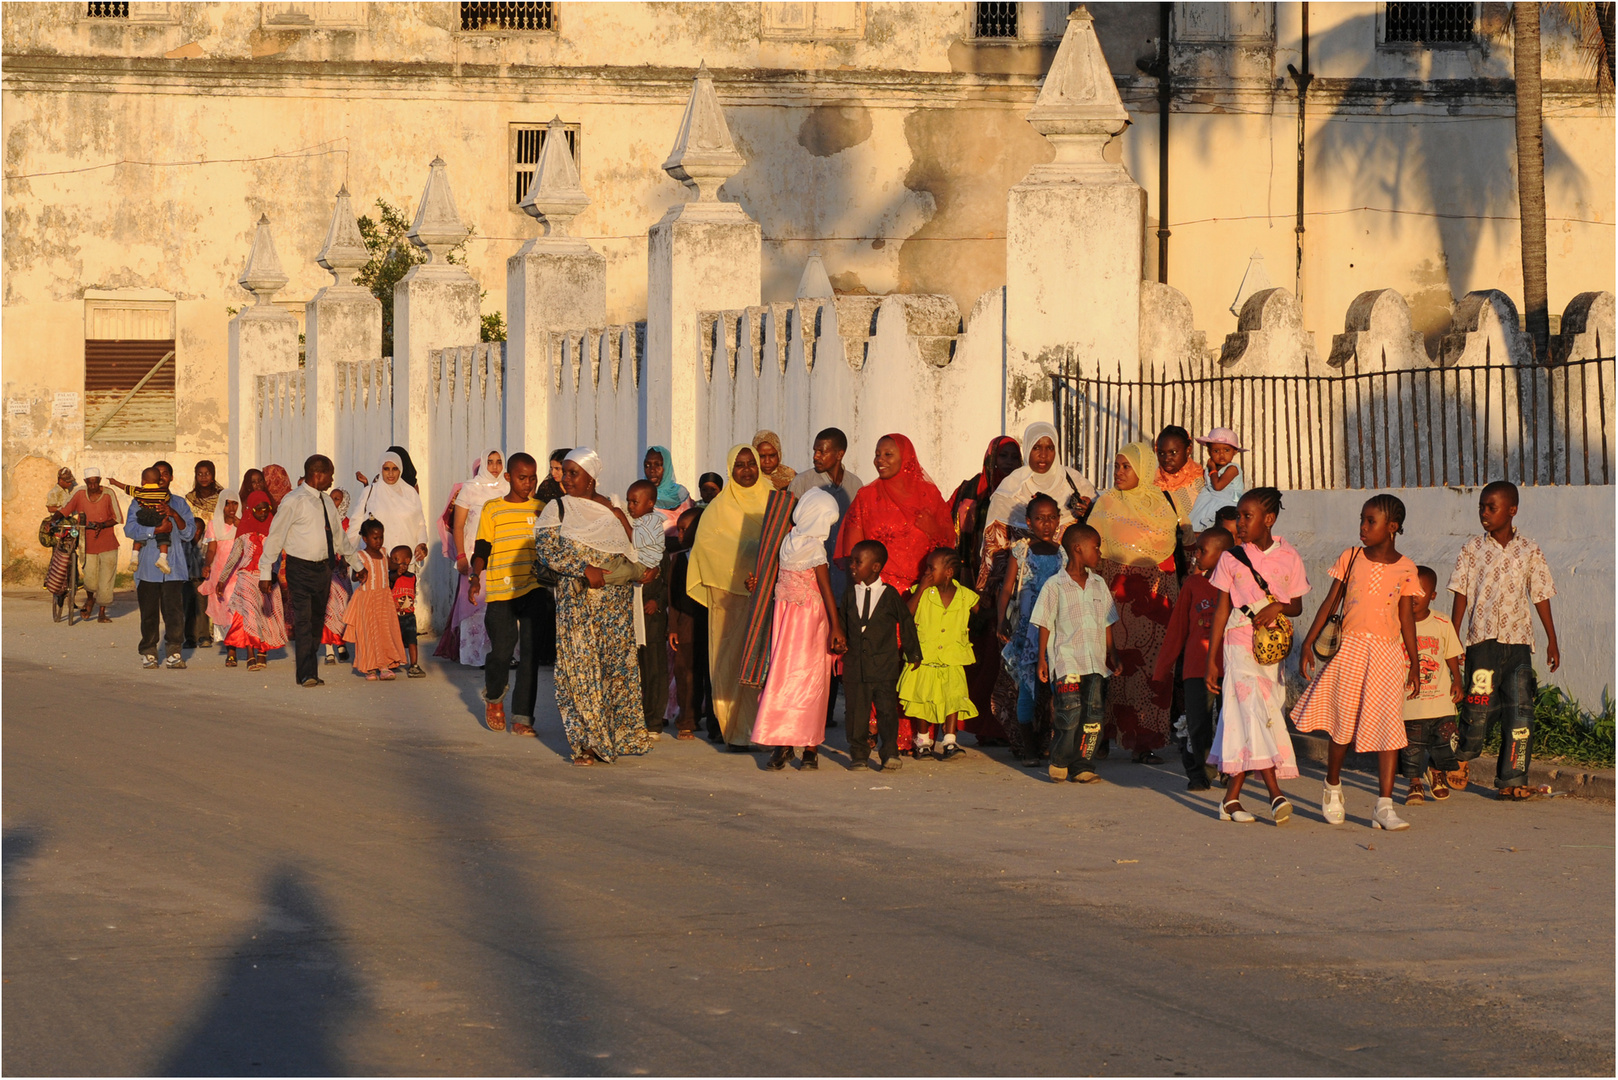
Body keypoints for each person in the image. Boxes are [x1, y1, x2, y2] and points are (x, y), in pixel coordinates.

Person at [1295, 494, 1423, 831]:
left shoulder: (1406, 567)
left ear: (1392, 527)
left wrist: (1414, 661)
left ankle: (1384, 805)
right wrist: (1308, 642)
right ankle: (1333, 787)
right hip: (1351, 649)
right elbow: (1329, 601)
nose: (1363, 527)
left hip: (1387, 652)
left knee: (1389, 727)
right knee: (1343, 723)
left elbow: (1406, 616)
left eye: (1371, 521)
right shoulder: (1351, 557)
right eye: (1362, 520)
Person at [534, 448, 655, 765]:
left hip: (616, 608)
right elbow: (546, 549)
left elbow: (631, 551)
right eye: (565, 472)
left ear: (592, 476)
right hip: (578, 606)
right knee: (579, 673)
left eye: (574, 473)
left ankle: (618, 737)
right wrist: (581, 568)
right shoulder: (557, 509)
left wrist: (640, 568)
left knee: (615, 672)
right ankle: (587, 744)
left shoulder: (611, 508)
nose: (567, 479)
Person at [1448, 480, 1560, 801]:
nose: (1484, 513)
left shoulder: (1530, 550)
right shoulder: (1472, 549)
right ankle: (1460, 756)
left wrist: (1552, 639)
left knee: (1520, 712)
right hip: (1481, 645)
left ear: (1512, 511)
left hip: (1518, 646)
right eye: (1481, 507)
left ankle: (1513, 778)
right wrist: (1452, 639)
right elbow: (1461, 593)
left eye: (1491, 507)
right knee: (1479, 708)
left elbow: (1540, 595)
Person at [1203, 487, 1309, 825]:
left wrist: (1276, 605)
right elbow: (1221, 610)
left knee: (1256, 715)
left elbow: (1297, 605)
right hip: (1237, 642)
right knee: (1252, 711)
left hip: (1269, 649)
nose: (1240, 523)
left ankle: (1231, 799)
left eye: (1247, 517)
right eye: (1238, 516)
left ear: (1269, 520)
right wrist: (1212, 659)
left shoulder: (1289, 556)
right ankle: (1275, 794)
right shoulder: (1230, 558)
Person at [1088, 441, 1181, 763]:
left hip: (1153, 607)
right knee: (1107, 669)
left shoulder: (1163, 506)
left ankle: (1146, 742)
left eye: (1126, 466)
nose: (1119, 472)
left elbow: (1169, 562)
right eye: (1116, 465)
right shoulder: (1105, 504)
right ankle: (1099, 737)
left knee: (1152, 674)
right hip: (1113, 601)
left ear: (1142, 468)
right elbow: (1092, 554)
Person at [754, 489, 847, 770]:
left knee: (810, 681)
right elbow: (824, 589)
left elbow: (824, 589)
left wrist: (834, 626)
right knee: (783, 679)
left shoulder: (803, 545)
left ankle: (810, 745)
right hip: (789, 616)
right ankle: (783, 742)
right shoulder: (795, 543)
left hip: (807, 620)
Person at [687, 444, 771, 752]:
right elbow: (708, 549)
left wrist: (762, 570)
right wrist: (750, 559)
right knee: (728, 663)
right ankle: (734, 730)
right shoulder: (718, 510)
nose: (747, 470)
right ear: (730, 470)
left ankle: (767, 730)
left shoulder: (772, 500)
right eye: (740, 465)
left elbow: (784, 540)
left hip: (769, 595)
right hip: (729, 600)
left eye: (751, 464)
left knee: (766, 664)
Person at [259, 454, 360, 688]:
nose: (332, 480)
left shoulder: (326, 502)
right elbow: (276, 537)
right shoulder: (293, 500)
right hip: (299, 568)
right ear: (318, 474)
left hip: (324, 569)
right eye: (330, 475)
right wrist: (266, 572)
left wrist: (358, 566)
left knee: (316, 622)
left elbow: (339, 538)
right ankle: (307, 673)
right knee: (303, 620)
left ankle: (310, 667)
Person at [1032, 524, 1122, 784]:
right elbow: (1045, 623)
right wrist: (1042, 659)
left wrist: (1112, 653)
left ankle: (1083, 765)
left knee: (1093, 715)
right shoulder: (1054, 586)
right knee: (1068, 712)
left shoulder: (1099, 584)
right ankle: (1060, 758)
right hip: (1067, 660)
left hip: (1094, 662)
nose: (1100, 552)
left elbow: (1107, 622)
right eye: (1096, 547)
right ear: (1077, 549)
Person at [789, 426, 865, 729]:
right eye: (815, 450)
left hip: (843, 577)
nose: (816, 456)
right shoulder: (803, 483)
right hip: (808, 580)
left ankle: (829, 711)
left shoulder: (856, 486)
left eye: (823, 450)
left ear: (839, 453)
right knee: (809, 648)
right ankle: (809, 711)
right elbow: (788, 529)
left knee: (837, 644)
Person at [951, 435, 1022, 746]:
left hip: (1012, 584)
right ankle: (980, 725)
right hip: (970, 582)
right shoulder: (969, 491)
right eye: (1002, 456)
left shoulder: (1023, 491)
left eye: (1013, 457)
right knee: (976, 658)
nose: (1007, 463)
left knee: (1002, 659)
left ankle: (1002, 726)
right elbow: (951, 534)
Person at [1152, 527, 1234, 791]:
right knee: (1197, 724)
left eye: (1202, 550)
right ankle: (1198, 772)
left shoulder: (1239, 585)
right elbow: (1177, 629)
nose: (1195, 555)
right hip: (1197, 669)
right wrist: (1162, 669)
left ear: (1222, 555)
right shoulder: (1192, 584)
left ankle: (1230, 771)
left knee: (1230, 722)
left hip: (1231, 667)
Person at [468, 452, 543, 734]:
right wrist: (476, 577)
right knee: (501, 651)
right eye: (522, 478)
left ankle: (522, 717)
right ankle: (495, 697)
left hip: (534, 588)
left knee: (530, 654)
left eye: (533, 477)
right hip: (501, 590)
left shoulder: (541, 508)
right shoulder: (493, 509)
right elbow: (483, 547)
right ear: (509, 478)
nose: (528, 483)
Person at [994, 493, 1066, 767]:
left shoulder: (1063, 552)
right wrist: (1002, 620)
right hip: (1027, 632)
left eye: (1051, 518)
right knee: (1027, 688)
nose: (1046, 524)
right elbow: (1008, 589)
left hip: (1056, 631)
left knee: (1055, 690)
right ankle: (1028, 748)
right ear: (1028, 522)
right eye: (1040, 518)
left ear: (1059, 520)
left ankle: (1050, 744)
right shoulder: (1021, 551)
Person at [839, 540, 922, 771]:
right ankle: (858, 754)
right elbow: (842, 623)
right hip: (856, 666)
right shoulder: (848, 594)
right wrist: (839, 643)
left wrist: (912, 652)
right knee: (856, 713)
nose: (852, 566)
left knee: (886, 711)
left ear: (875, 567)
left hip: (884, 666)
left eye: (858, 562)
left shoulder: (889, 594)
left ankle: (890, 752)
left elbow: (906, 621)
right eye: (852, 561)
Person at [897, 548, 978, 762]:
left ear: (949, 572)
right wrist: (921, 588)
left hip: (952, 658)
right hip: (924, 659)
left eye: (932, 569)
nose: (927, 573)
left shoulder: (965, 595)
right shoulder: (922, 592)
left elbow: (981, 611)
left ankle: (950, 741)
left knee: (953, 700)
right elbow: (907, 614)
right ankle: (923, 742)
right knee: (923, 700)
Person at [982, 422, 1095, 574]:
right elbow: (994, 548)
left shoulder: (1073, 481)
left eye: (1050, 448)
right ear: (1027, 448)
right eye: (1036, 447)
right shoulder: (1010, 488)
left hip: (1068, 579)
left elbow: (1100, 520)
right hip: (1023, 582)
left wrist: (1089, 510)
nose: (1043, 455)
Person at [435, 449, 507, 666]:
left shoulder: (508, 488)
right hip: (474, 553)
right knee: (475, 602)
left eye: (498, 462)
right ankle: (476, 655)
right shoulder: (470, 488)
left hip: (502, 553)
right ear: (483, 464)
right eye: (490, 462)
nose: (494, 467)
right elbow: (458, 525)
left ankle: (503, 653)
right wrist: (461, 556)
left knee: (501, 602)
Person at [1401, 565, 1465, 805]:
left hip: (1440, 701)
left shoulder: (1441, 621)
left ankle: (1436, 772)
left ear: (1433, 596)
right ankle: (1414, 783)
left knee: (1445, 743)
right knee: (1412, 748)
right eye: (1410, 590)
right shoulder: (1397, 623)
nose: (1415, 596)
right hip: (1410, 702)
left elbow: (1451, 653)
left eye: (1421, 591)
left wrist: (1457, 680)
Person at [206, 491, 287, 670]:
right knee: (249, 615)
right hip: (247, 578)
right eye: (259, 510)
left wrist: (273, 574)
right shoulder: (243, 529)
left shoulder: (274, 528)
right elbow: (234, 556)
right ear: (250, 509)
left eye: (266, 509)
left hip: (267, 579)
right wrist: (222, 579)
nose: (263, 513)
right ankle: (250, 654)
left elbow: (278, 556)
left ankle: (262, 653)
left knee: (265, 615)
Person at [125, 465, 196, 669]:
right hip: (147, 567)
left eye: (165, 474)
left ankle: (174, 651)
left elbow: (189, 533)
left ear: (171, 478)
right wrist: (155, 529)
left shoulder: (179, 503)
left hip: (173, 567)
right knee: (149, 612)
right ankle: (148, 650)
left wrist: (173, 514)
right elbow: (130, 529)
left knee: (174, 612)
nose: (162, 478)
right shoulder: (138, 503)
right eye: (158, 475)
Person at [667, 506, 714, 740]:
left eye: (685, 530)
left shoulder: (713, 556)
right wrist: (673, 627)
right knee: (686, 672)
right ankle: (687, 719)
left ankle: (716, 724)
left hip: (712, 625)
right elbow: (672, 595)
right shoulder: (679, 559)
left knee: (712, 675)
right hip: (685, 625)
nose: (681, 536)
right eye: (679, 531)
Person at [626, 478, 669, 735]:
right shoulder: (633, 532)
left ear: (650, 503)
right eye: (629, 501)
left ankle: (653, 720)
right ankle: (635, 717)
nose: (631, 506)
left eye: (635, 502)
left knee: (654, 668)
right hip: (632, 610)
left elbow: (668, 578)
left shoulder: (656, 537)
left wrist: (658, 600)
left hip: (651, 615)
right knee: (635, 668)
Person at [342, 520, 408, 681]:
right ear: (365, 538)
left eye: (381, 537)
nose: (379, 541)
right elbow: (353, 575)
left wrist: (399, 569)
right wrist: (358, 574)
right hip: (367, 599)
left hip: (384, 599)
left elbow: (388, 571)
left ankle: (384, 665)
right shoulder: (360, 556)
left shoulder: (384, 553)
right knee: (368, 633)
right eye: (375, 538)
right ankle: (369, 667)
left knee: (384, 631)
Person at [57, 466, 122, 623]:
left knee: (106, 579)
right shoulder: (79, 494)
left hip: (108, 543)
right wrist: (53, 520)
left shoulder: (108, 493)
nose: (93, 486)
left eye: (95, 482)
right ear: (86, 482)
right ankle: (90, 599)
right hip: (87, 544)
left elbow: (118, 517)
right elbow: (66, 510)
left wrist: (103, 524)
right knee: (90, 578)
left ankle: (102, 612)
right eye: (89, 483)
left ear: (99, 481)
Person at [348, 451, 430, 576]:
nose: (390, 473)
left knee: (403, 595)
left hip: (406, 561)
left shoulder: (410, 493)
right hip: (377, 560)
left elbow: (420, 524)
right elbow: (355, 525)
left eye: (395, 469)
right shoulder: (370, 492)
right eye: (386, 469)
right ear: (381, 469)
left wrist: (422, 543)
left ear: (400, 470)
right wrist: (347, 556)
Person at [182, 460, 224, 648]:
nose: (204, 477)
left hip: (217, 549)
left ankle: (212, 633)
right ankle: (192, 635)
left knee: (213, 593)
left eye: (207, 473)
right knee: (193, 592)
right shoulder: (189, 499)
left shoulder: (222, 498)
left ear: (213, 475)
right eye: (200, 474)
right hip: (194, 550)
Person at [1153, 424, 1204, 573]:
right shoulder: (1153, 484)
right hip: (1168, 557)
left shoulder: (1203, 480)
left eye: (1173, 452)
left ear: (1188, 450)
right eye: (1161, 453)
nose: (1166, 459)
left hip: (1201, 555)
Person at [321, 487, 355, 667]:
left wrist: (346, 561)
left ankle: (341, 644)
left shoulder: (349, 524)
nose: (334, 502)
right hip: (326, 572)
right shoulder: (323, 521)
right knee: (328, 610)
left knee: (342, 610)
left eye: (337, 499)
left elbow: (351, 545)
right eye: (332, 498)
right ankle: (328, 650)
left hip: (341, 574)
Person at [1190, 428, 1245, 532]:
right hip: (1206, 502)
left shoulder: (1233, 468)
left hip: (1225, 502)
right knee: (1197, 528)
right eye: (1216, 451)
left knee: (1217, 529)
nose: (1221, 455)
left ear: (1235, 452)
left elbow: (1218, 486)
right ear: (1209, 452)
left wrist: (1213, 470)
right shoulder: (1210, 468)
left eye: (1227, 450)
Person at [131, 468, 176, 574]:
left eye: (165, 474)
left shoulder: (139, 492)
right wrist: (158, 529)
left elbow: (125, 487)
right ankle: (163, 558)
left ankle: (134, 556)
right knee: (164, 536)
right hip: (158, 516)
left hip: (144, 515)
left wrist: (114, 482)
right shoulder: (164, 493)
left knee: (139, 536)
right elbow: (130, 530)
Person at [389, 545, 424, 677]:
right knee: (393, 640)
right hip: (394, 616)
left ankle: (414, 665)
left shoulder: (412, 577)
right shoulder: (392, 576)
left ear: (407, 561)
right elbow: (391, 579)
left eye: (396, 559)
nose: (393, 562)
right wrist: (397, 572)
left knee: (412, 640)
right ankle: (391, 662)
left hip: (409, 615)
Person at [644, 445, 692, 535]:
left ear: (667, 466)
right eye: (647, 465)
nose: (652, 470)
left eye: (658, 465)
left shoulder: (681, 493)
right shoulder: (641, 495)